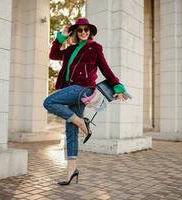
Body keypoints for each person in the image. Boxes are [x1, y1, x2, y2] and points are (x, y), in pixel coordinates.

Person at [43, 18, 127, 185]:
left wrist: (117, 86)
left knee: (49, 102)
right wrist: (61, 38)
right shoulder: (70, 49)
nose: (83, 32)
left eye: (86, 30)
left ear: (90, 32)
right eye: (80, 30)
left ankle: (81, 122)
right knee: (71, 130)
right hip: (71, 88)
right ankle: (71, 171)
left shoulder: (94, 47)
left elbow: (105, 68)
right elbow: (53, 55)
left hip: (83, 88)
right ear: (75, 32)